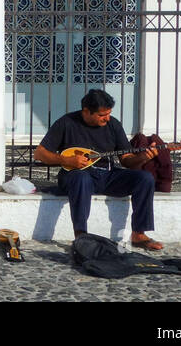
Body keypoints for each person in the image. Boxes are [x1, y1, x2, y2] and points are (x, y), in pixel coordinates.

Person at [34, 89, 164, 250]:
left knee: (145, 178)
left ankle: (138, 234)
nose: (107, 118)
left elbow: (127, 161)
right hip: (75, 176)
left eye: (109, 113)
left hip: (107, 175)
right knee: (82, 178)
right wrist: (66, 160)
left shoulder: (113, 124)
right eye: (102, 115)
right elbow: (39, 153)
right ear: (86, 111)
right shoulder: (67, 122)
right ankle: (81, 236)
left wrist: (144, 157)